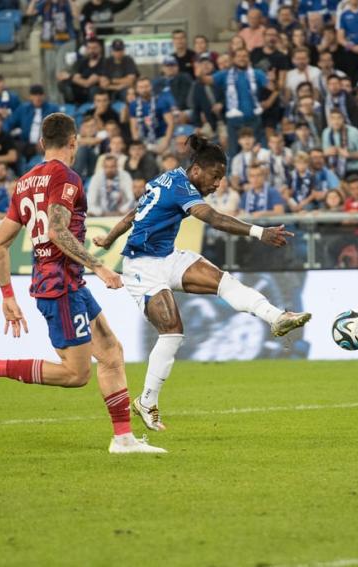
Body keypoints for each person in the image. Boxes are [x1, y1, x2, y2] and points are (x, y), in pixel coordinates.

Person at [0, 112, 165, 454]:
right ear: (74, 142)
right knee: (77, 374)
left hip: (65, 282)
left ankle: (123, 439)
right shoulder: (66, 176)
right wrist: (99, 267)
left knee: (112, 353)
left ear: (42, 143)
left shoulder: (25, 182)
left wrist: (7, 295)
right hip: (58, 285)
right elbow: (58, 230)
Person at [92, 134, 311, 431]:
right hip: (142, 266)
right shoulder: (181, 188)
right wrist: (261, 233)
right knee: (172, 332)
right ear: (196, 170)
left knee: (224, 281)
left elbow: (133, 214)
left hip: (168, 256)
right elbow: (214, 218)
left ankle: (277, 317)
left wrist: (107, 238)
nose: (217, 183)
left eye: (221, 178)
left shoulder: (167, 179)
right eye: (215, 176)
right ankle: (147, 401)